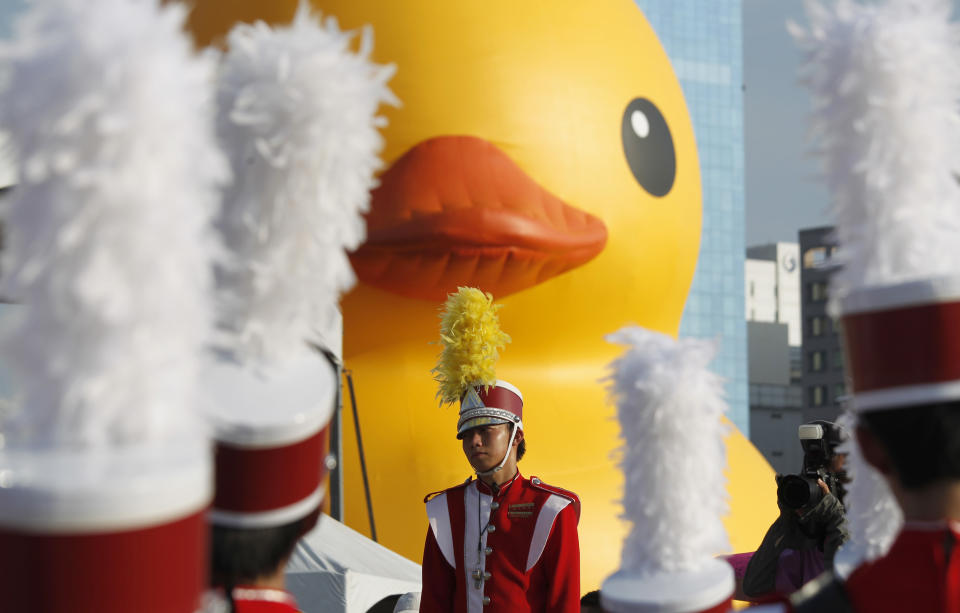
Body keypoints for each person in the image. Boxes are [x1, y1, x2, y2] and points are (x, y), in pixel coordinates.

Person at [421, 288, 581, 613]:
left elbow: (564, 605)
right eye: (467, 435)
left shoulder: (552, 509)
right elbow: (434, 604)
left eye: (485, 431)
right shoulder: (444, 509)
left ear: (516, 435)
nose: (474, 442)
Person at [742, 421, 850, 600]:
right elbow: (754, 586)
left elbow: (843, 594)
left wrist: (836, 517)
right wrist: (786, 521)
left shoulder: (867, 537)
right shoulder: (800, 544)